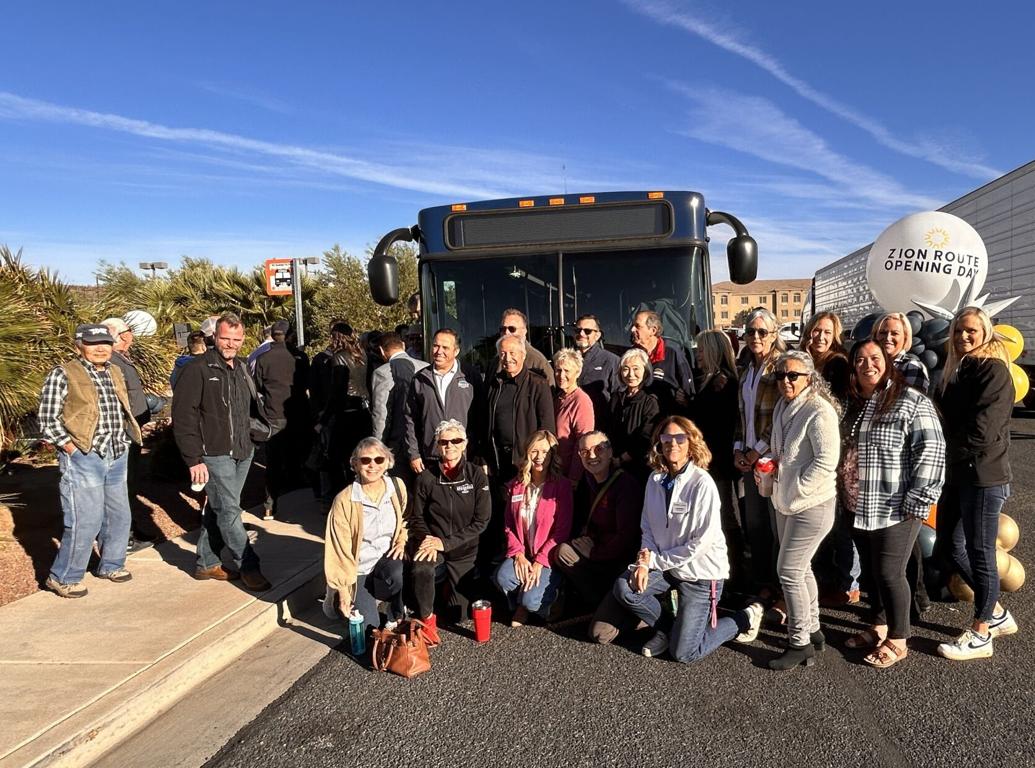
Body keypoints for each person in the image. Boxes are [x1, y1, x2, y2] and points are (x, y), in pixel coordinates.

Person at [600, 416, 764, 662]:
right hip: (668, 569)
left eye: (680, 438)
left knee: (684, 653)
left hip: (700, 576)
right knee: (625, 588)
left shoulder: (702, 483)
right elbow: (647, 528)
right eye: (666, 438)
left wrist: (654, 561)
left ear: (691, 443)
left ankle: (744, 618)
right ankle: (667, 629)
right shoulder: (655, 480)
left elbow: (699, 544)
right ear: (659, 443)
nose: (672, 444)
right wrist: (643, 562)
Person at [840, 340, 945, 668]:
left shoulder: (910, 401)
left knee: (889, 572)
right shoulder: (854, 403)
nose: (867, 365)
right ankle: (879, 625)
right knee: (871, 571)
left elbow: (931, 449)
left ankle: (899, 638)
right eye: (860, 359)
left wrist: (919, 500)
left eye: (874, 358)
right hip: (857, 505)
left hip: (896, 506)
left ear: (887, 363)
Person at [934, 307, 1018, 660]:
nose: (963, 336)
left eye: (971, 330)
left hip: (983, 476)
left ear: (985, 332)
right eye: (958, 331)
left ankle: (982, 633)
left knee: (980, 551)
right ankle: (995, 612)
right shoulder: (958, 368)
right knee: (950, 547)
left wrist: (939, 454)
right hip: (958, 474)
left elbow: (982, 431)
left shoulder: (994, 371)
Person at [37, 324, 142, 597]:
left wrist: (125, 439)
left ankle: (111, 564)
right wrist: (70, 448)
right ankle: (63, 576)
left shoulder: (114, 371)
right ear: (79, 345)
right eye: (93, 343)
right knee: (86, 519)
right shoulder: (63, 373)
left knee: (119, 515)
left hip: (116, 452)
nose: (100, 348)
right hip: (84, 455)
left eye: (105, 343)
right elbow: (48, 419)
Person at [172, 312, 271, 591]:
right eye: (226, 338)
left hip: (243, 449)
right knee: (229, 510)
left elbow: (251, 407)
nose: (231, 344)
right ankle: (248, 565)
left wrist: (259, 433)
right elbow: (183, 417)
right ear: (214, 337)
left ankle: (206, 562)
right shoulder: (197, 369)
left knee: (221, 509)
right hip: (214, 453)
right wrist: (193, 459)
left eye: (236, 339)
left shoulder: (242, 367)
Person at [764, 351, 840, 671]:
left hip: (812, 504)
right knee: (801, 567)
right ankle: (814, 629)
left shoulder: (819, 410)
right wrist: (772, 469)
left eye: (793, 375)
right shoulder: (783, 406)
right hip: (785, 501)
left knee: (789, 571)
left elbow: (826, 461)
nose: (786, 381)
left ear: (809, 378)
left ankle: (799, 642)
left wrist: (797, 486)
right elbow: (782, 450)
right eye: (781, 375)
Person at [407, 420, 492, 643]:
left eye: (456, 440)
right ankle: (427, 620)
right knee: (421, 569)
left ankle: (444, 586)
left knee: (458, 616)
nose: (450, 446)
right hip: (434, 546)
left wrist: (446, 543)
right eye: (444, 442)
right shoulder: (426, 478)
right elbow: (417, 518)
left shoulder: (476, 475)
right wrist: (429, 540)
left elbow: (482, 521)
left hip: (464, 551)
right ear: (437, 446)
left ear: (465, 444)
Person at [322, 438, 407, 633]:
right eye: (366, 460)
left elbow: (405, 518)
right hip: (358, 570)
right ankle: (335, 596)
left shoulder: (397, 487)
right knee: (369, 630)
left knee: (403, 572)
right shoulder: (345, 500)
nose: (372, 465)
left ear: (388, 462)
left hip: (386, 562)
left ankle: (396, 613)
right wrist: (343, 590)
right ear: (355, 464)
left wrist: (402, 541)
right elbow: (338, 549)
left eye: (379, 459)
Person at [553, 431, 641, 614]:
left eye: (598, 449)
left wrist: (594, 553)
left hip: (619, 558)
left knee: (601, 632)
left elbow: (626, 537)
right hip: (594, 547)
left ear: (610, 452)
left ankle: (615, 605)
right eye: (585, 451)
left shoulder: (626, 485)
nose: (591, 456)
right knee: (563, 552)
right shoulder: (586, 481)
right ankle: (596, 602)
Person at [733, 307, 786, 599]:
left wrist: (756, 451)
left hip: (772, 459)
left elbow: (780, 416)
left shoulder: (780, 368)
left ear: (774, 335)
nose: (755, 337)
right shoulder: (746, 370)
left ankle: (781, 586)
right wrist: (738, 450)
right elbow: (741, 417)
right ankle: (763, 582)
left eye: (762, 332)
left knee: (777, 525)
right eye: (750, 331)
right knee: (755, 524)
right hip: (749, 459)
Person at [494, 431, 573, 626]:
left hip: (547, 557)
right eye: (534, 451)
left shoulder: (562, 486)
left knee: (531, 600)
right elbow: (508, 524)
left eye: (545, 452)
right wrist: (519, 554)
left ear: (552, 455)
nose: (539, 457)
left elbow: (562, 531)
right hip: (524, 552)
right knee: (502, 578)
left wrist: (540, 561)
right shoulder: (517, 485)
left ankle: (543, 600)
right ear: (527, 453)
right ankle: (525, 601)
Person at [689, 330, 744, 587]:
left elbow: (715, 424)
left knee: (725, 518)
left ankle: (734, 574)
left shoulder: (721, 383)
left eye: (701, 350)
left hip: (718, 462)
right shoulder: (712, 380)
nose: (697, 354)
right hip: (713, 461)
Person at [102, 316, 156, 551]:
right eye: (129, 331)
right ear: (121, 335)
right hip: (122, 435)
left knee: (129, 484)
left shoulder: (120, 358)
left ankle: (130, 528)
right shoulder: (110, 362)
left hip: (131, 433)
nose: (131, 335)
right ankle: (122, 537)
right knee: (121, 486)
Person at [404, 328, 480, 474]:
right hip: (431, 458)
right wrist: (414, 454)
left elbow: (481, 416)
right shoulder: (420, 379)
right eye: (436, 346)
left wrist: (479, 452)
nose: (439, 351)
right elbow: (410, 419)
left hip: (465, 457)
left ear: (456, 351)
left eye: (445, 347)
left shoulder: (470, 376)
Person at [485, 334, 556, 484]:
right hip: (498, 462)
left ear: (523, 355)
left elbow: (547, 428)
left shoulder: (538, 385)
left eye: (512, 353)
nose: (507, 358)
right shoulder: (494, 385)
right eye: (503, 353)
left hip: (527, 463)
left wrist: (539, 461)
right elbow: (485, 423)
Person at [253, 320, 302, 520]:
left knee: (273, 463)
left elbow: (257, 386)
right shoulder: (299, 357)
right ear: (290, 336)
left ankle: (269, 505)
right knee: (297, 457)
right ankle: (300, 498)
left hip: (273, 414)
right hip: (297, 413)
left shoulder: (263, 359)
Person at [370, 332, 428, 481]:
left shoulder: (382, 373)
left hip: (398, 440)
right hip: (424, 439)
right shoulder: (425, 367)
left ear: (381, 350)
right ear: (403, 345)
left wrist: (378, 446)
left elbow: (380, 413)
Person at [609, 348, 660, 481]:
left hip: (638, 468)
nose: (630, 374)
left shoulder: (650, 401)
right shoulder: (616, 397)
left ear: (646, 371)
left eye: (636, 368)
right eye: (625, 369)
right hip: (614, 465)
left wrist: (622, 459)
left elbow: (646, 438)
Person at [630, 309, 693, 409]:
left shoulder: (673, 353)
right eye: (633, 326)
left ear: (653, 330)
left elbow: (687, 391)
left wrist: (685, 400)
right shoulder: (631, 355)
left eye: (637, 326)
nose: (632, 329)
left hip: (667, 414)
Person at [552, 348, 594, 482]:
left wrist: (574, 478)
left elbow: (583, 441)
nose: (561, 375)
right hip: (555, 472)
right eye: (558, 370)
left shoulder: (581, 401)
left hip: (569, 476)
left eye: (567, 371)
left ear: (578, 372)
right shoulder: (558, 397)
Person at [572, 313, 621, 425]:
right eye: (578, 330)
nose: (581, 334)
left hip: (599, 425)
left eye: (587, 331)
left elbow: (618, 397)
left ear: (597, 335)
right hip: (572, 422)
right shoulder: (567, 359)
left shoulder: (611, 361)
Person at [493, 308, 555, 386]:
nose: (506, 333)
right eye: (503, 329)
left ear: (524, 331)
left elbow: (548, 390)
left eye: (512, 329)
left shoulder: (537, 361)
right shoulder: (495, 362)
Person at [873, 313, 930, 393]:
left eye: (894, 333)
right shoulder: (867, 364)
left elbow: (911, 399)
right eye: (883, 333)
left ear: (905, 338)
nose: (888, 338)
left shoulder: (911, 366)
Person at [800, 311, 850, 401]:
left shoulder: (838, 363)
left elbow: (838, 399)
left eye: (827, 332)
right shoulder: (799, 359)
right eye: (816, 331)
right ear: (808, 332)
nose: (821, 337)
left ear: (834, 337)